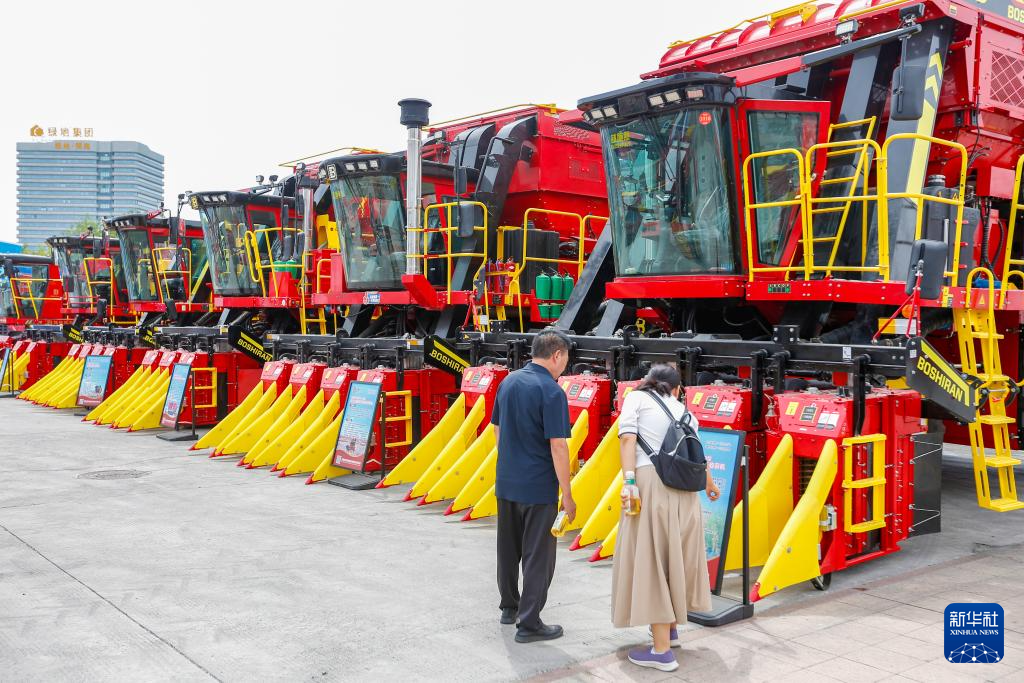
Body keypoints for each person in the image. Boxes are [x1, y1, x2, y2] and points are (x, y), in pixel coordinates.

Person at [612, 364, 719, 672]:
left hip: (652, 485)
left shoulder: (636, 398)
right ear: (677, 389)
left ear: (648, 382)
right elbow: (698, 453)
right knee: (676, 559)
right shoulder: (685, 412)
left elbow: (627, 439)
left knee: (652, 559)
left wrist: (629, 482)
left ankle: (661, 653)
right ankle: (670, 632)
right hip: (687, 493)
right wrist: (710, 484)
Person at [490, 329, 576, 643]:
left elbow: (497, 428)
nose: (565, 365)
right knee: (538, 556)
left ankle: (509, 608)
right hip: (538, 488)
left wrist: (512, 460)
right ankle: (529, 623)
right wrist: (567, 494)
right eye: (566, 359)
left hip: (507, 482)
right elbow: (558, 446)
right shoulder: (552, 392)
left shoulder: (508, 382)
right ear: (557, 355)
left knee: (508, 549)